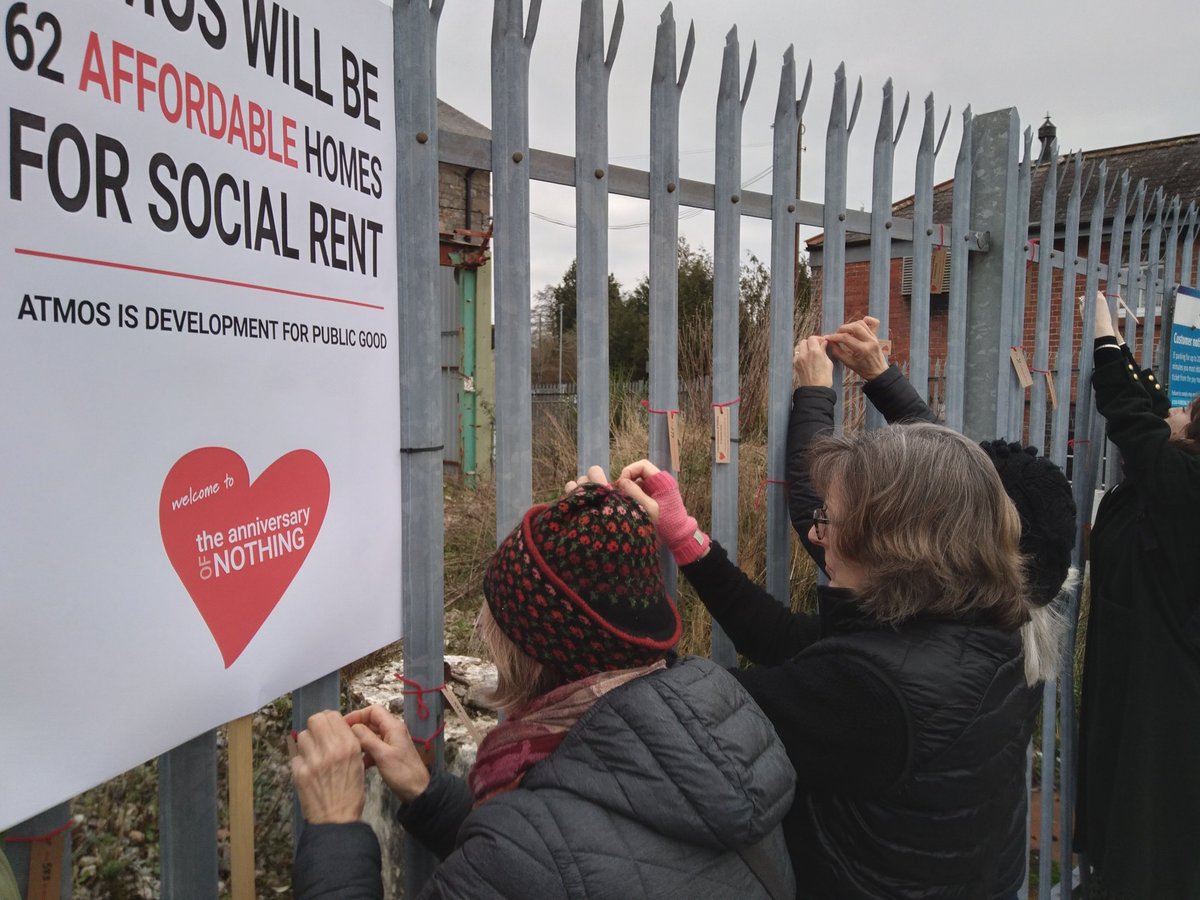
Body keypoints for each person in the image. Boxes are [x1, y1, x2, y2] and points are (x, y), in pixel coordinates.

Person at [290, 483, 797, 900]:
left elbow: (544, 858)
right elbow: (576, 858)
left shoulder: (532, 840)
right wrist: (426, 796)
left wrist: (335, 827)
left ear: (532, 655)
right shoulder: (714, 734)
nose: (486, 634)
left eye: (496, 622)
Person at [618, 418, 1034, 899]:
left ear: (892, 543)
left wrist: (600, 580)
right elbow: (780, 637)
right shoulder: (978, 634)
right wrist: (683, 534)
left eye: (829, 520)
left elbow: (684, 706)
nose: (818, 536)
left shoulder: (871, 691)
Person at [796, 316, 1077, 684]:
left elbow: (813, 502)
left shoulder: (918, 583)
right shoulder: (1006, 623)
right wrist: (881, 376)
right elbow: (942, 461)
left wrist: (814, 393)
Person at [1074, 291, 1200, 899]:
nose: (1176, 411)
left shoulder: (1185, 487)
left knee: (1151, 818)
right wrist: (1120, 343)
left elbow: (1133, 416)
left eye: (1188, 411)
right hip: (1161, 670)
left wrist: (1100, 334)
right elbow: (1149, 413)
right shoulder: (1181, 479)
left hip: (1164, 689)